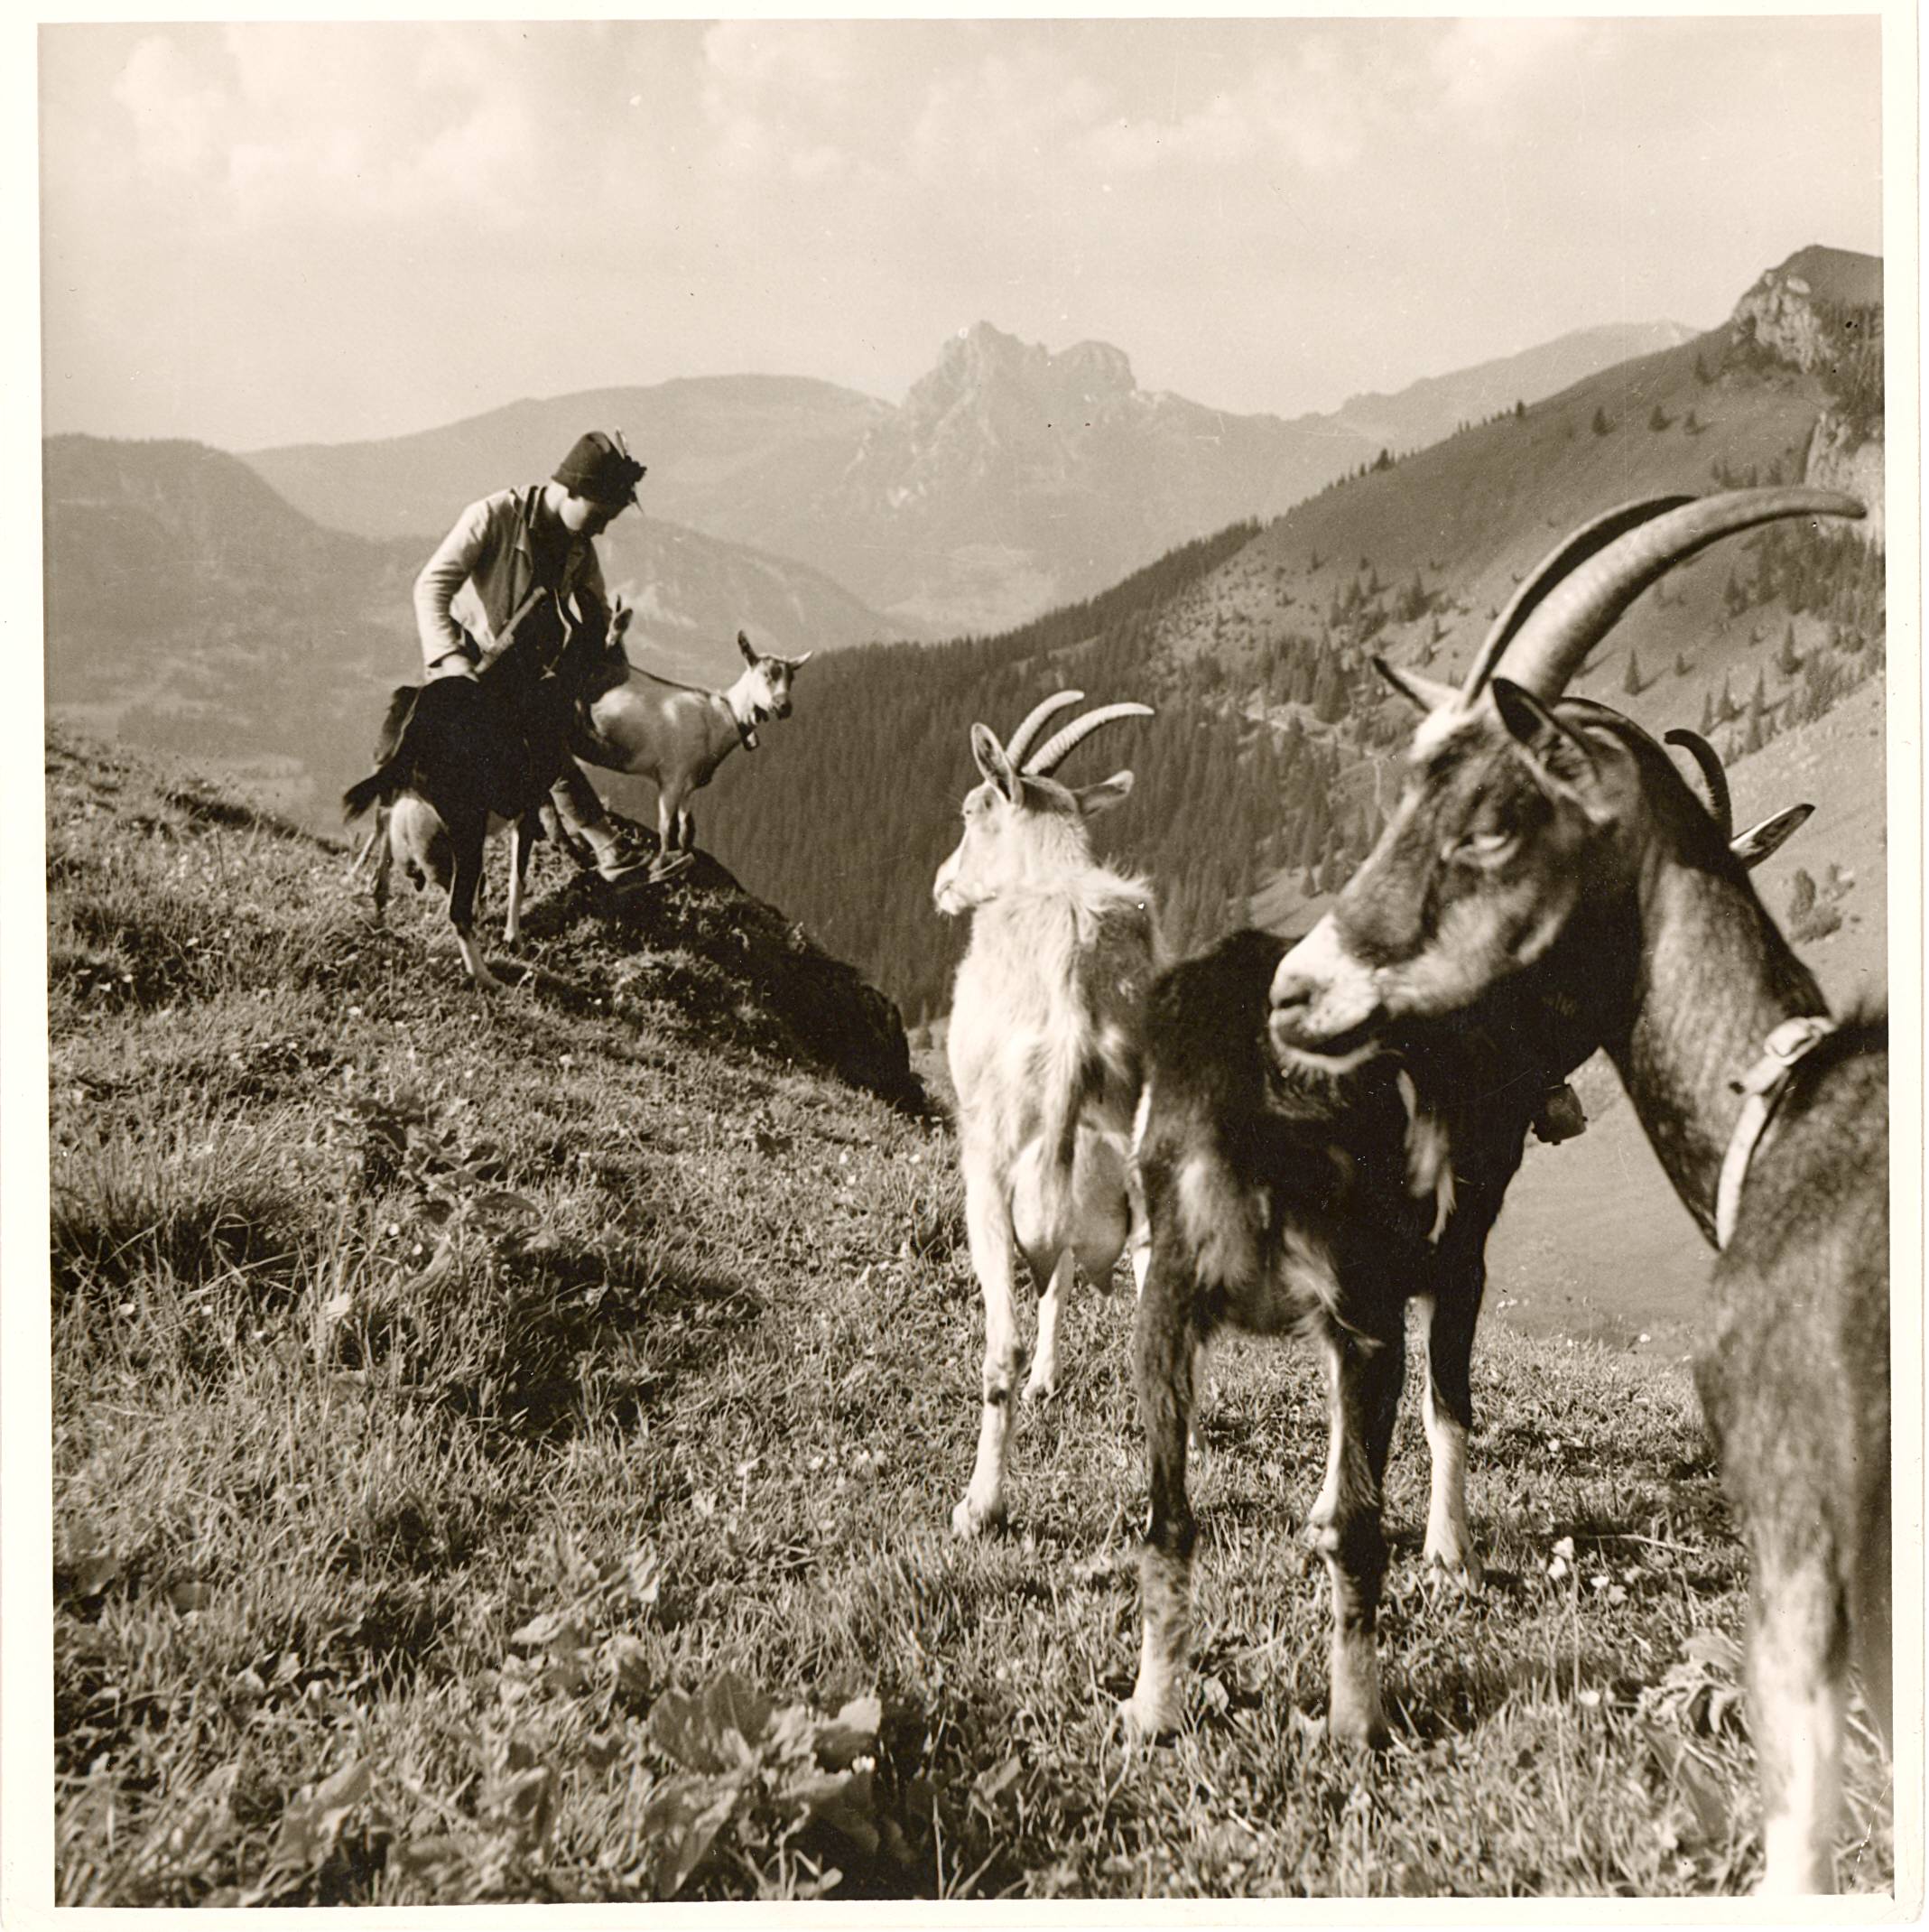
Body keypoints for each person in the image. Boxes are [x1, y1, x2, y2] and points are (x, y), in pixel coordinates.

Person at [413, 429, 660, 883]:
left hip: (521, 674)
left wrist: (607, 646)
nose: (602, 528)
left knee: (546, 731)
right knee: (532, 739)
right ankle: (602, 844)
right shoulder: (492, 517)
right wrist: (450, 660)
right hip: (469, 667)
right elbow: (430, 587)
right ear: (571, 490)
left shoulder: (578, 545)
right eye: (599, 514)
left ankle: (596, 843)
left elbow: (596, 609)